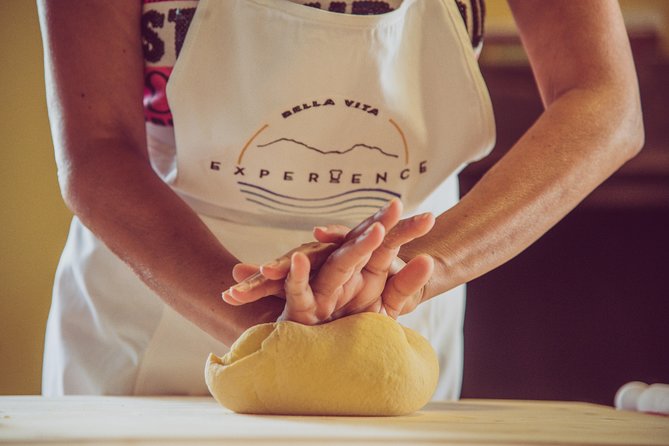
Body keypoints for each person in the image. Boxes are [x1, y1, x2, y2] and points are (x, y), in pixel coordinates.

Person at [37, 0, 643, 399]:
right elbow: (98, 151)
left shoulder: (401, 278)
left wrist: (408, 271)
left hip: (398, 301)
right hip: (164, 312)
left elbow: (604, 104)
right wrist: (274, 331)